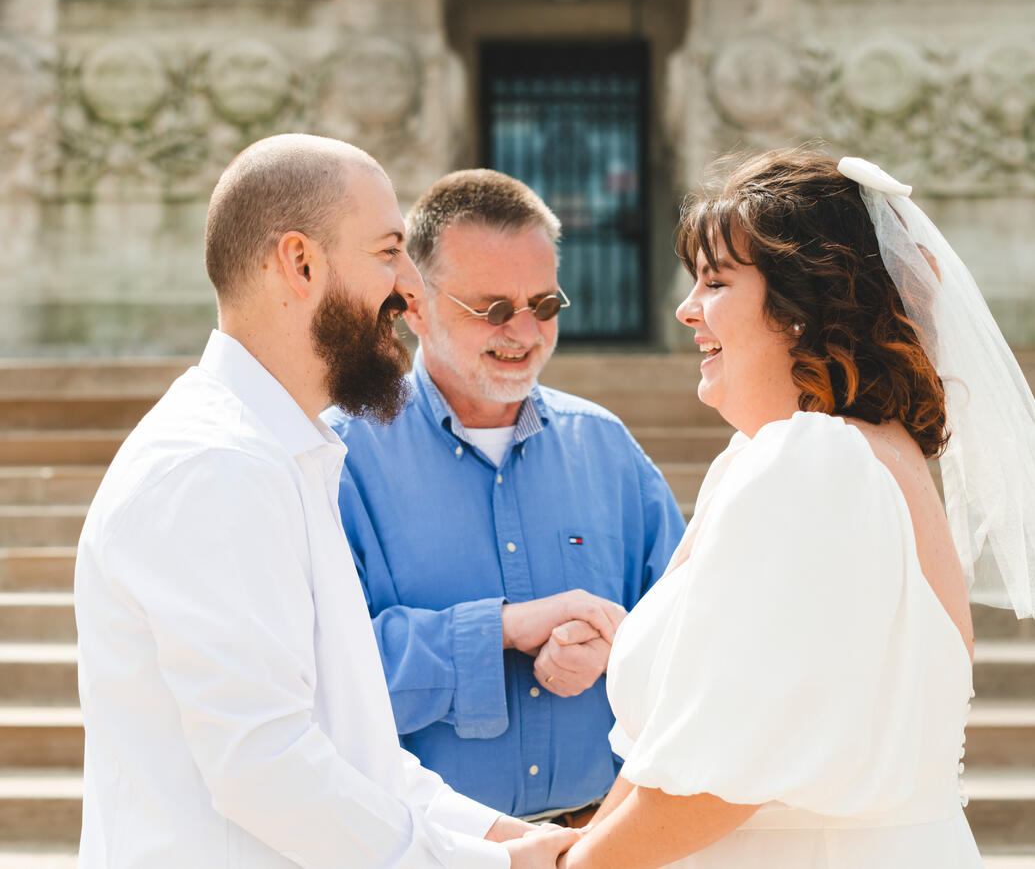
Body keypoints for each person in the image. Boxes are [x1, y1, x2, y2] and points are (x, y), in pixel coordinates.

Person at [74, 134, 580, 868]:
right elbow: (265, 765)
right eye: (387, 253)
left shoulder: (281, 454)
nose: (412, 288)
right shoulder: (216, 466)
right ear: (299, 262)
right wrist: (491, 865)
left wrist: (510, 839)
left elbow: (355, 752)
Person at [560, 149, 1035, 868]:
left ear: (800, 308)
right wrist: (576, 843)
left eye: (714, 282)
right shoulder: (827, 456)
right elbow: (679, 745)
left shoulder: (815, 465)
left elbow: (721, 775)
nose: (686, 309)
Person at [323, 169, 685, 822]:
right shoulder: (336, 460)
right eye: (491, 308)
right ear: (412, 302)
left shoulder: (607, 449)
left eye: (543, 304)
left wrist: (620, 648)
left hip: (601, 844)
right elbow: (321, 675)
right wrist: (503, 629)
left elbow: (692, 631)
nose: (522, 330)